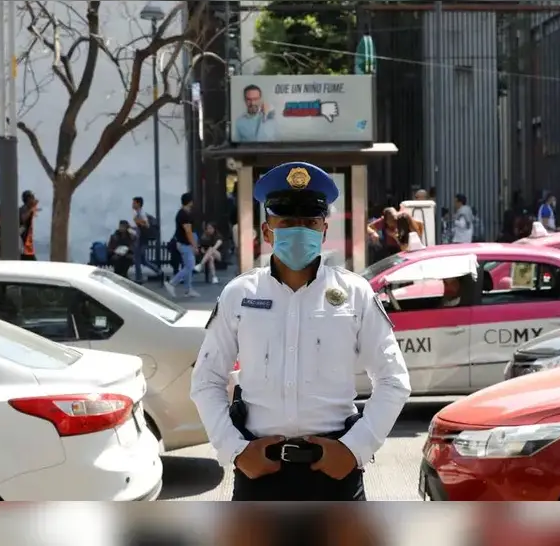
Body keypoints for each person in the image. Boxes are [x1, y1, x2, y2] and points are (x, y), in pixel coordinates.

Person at [190, 161, 411, 502]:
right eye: (287, 222)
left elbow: (394, 380)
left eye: (309, 222)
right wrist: (235, 451)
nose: (299, 230)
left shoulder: (355, 294)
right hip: (259, 474)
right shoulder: (240, 295)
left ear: (324, 230)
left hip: (336, 474)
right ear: (267, 231)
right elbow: (206, 381)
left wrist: (355, 450)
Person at [165, 192, 198, 298]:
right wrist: (194, 245)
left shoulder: (184, 213)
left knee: (187, 266)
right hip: (185, 244)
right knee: (190, 266)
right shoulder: (183, 214)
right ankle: (172, 283)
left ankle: (188, 289)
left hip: (183, 243)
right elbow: (188, 231)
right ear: (190, 202)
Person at [131, 196, 163, 282]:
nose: (132, 204)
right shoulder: (137, 213)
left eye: (134, 203)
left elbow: (147, 225)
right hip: (141, 238)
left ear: (138, 204)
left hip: (143, 239)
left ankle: (139, 278)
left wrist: (139, 222)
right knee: (143, 260)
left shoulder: (141, 213)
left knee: (137, 258)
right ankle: (158, 271)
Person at [19, 190, 38, 260]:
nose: (34, 198)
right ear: (28, 199)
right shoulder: (23, 209)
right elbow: (23, 218)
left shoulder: (29, 209)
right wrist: (31, 209)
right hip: (24, 246)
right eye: (32, 197)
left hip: (28, 247)